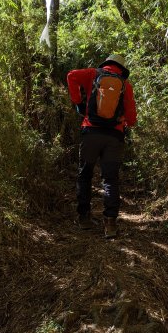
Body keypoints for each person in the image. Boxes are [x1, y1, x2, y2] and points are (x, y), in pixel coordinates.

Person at [67, 54, 137, 238]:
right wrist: (124, 121)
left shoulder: (93, 74)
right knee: (110, 179)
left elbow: (71, 76)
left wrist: (78, 103)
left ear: (106, 64)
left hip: (91, 131)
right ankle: (110, 224)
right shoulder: (125, 85)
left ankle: (84, 219)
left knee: (85, 175)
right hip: (114, 136)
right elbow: (132, 118)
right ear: (122, 68)